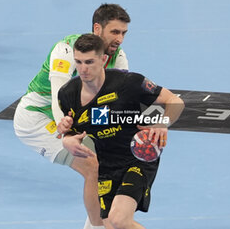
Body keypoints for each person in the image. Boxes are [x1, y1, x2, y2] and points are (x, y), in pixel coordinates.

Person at [13, 4, 131, 229]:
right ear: (98, 28)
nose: (120, 39)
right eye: (115, 32)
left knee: (114, 162)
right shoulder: (66, 50)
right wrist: (67, 134)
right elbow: (60, 95)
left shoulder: (119, 58)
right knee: (92, 166)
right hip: (37, 119)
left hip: (74, 119)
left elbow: (115, 104)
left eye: (124, 33)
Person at [57, 34, 184, 229]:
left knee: (118, 219)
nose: (83, 69)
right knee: (108, 224)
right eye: (79, 62)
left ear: (103, 60)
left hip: (139, 155)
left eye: (89, 62)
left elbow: (174, 101)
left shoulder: (129, 83)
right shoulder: (67, 95)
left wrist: (162, 122)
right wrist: (67, 139)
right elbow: (70, 131)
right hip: (107, 164)